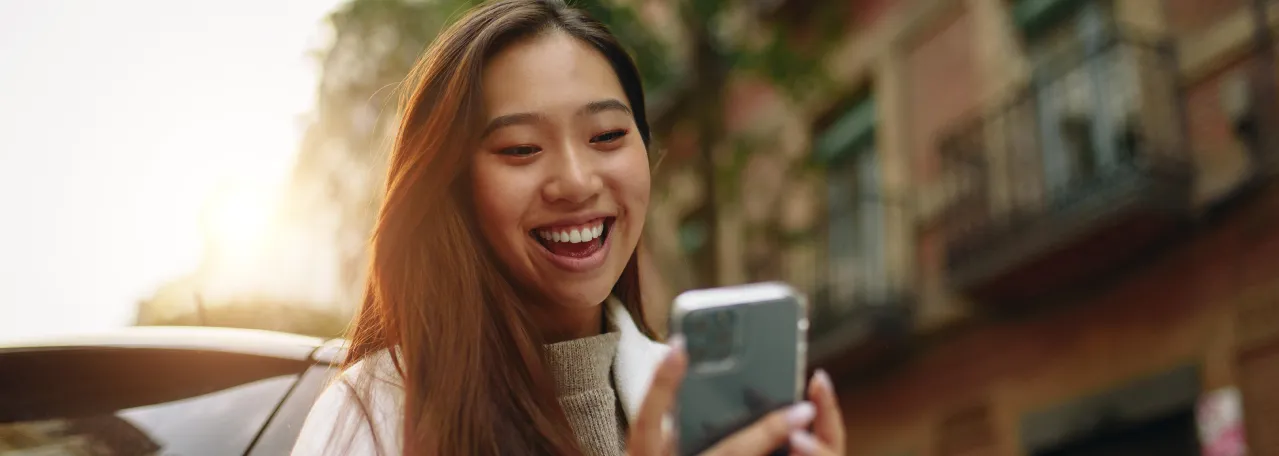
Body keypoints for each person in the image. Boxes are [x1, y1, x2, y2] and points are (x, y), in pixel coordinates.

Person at [289, 0, 846, 454]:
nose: (576, 182)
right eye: (521, 148)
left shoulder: (695, 404)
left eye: (606, 136)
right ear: (453, 188)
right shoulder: (373, 411)